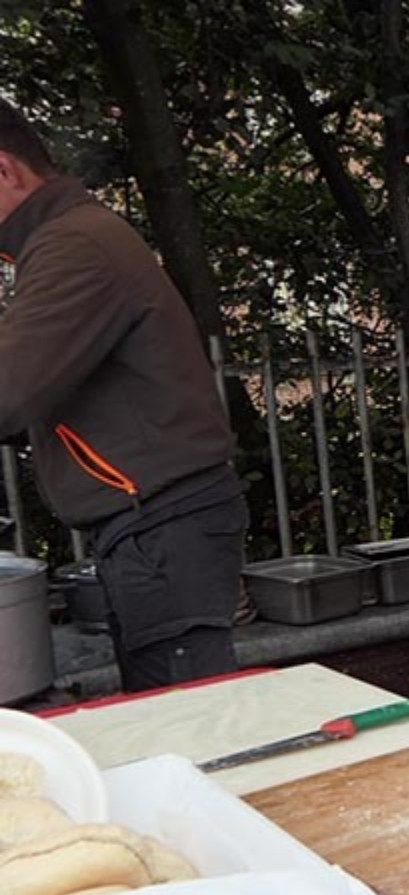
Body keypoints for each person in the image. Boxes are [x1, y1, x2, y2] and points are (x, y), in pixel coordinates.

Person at [0, 97, 246, 692]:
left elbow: (6, 394)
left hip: (163, 525)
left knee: (190, 724)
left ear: (4, 171)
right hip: (156, 524)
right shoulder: (65, 240)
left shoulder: (74, 247)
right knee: (175, 711)